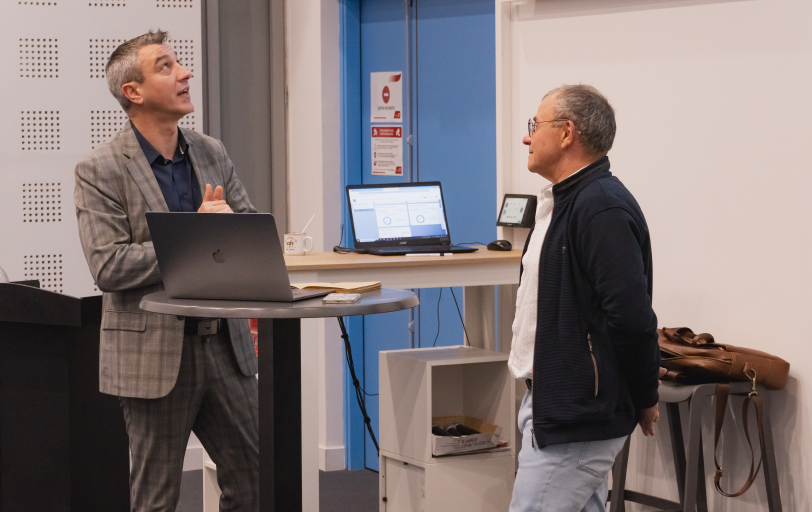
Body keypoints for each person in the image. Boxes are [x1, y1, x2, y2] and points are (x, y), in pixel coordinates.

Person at [74, 30, 259, 511]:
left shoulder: (212, 151)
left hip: (225, 346)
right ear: (132, 92)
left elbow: (251, 236)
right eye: (166, 66)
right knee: (156, 500)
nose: (185, 73)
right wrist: (196, 241)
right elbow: (109, 265)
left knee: (256, 484)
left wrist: (232, 229)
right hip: (152, 356)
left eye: (180, 64)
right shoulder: (101, 168)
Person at [508, 85, 661, 512]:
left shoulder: (600, 208)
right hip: (552, 403)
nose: (527, 137)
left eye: (534, 125)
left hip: (580, 415)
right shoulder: (563, 203)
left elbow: (631, 318)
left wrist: (645, 395)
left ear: (566, 133)